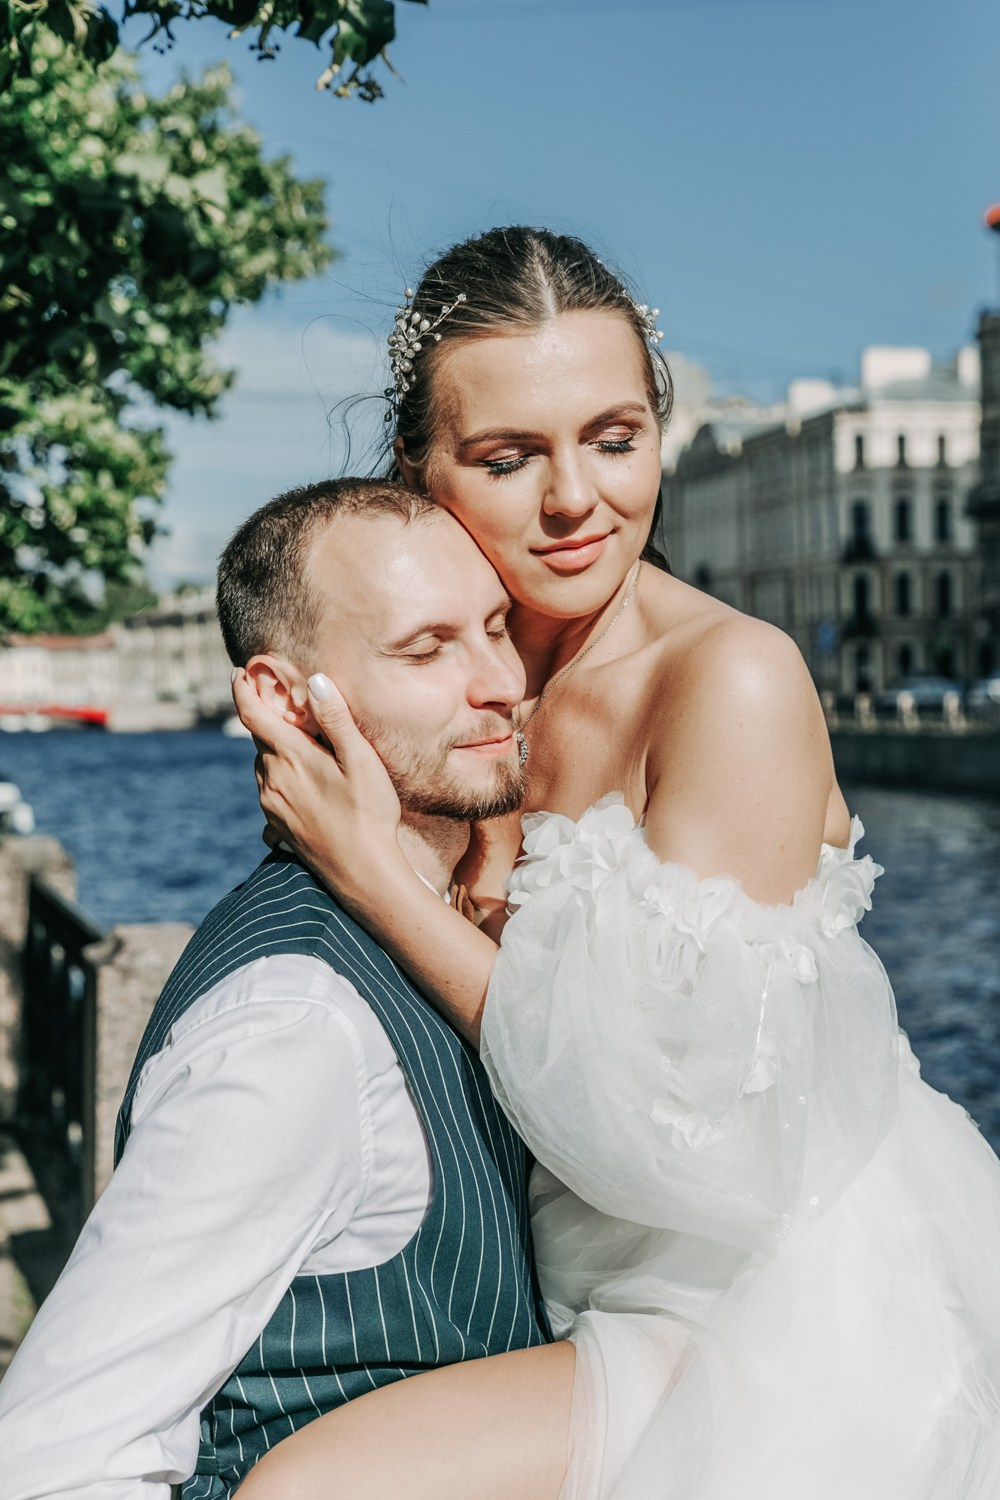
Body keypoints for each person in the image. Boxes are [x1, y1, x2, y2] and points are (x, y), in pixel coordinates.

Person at [232, 225, 1000, 1499]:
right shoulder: (468, 698)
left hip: (760, 1320)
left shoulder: (731, 681)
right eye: (506, 456)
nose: (576, 500)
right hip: (553, 1287)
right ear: (420, 472)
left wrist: (373, 871)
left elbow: (684, 1145)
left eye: (614, 436)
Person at [0, 478, 572, 1500]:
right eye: (425, 649)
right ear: (281, 697)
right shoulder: (296, 1026)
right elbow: (54, 1459)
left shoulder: (448, 931)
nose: (497, 681)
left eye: (495, 628)